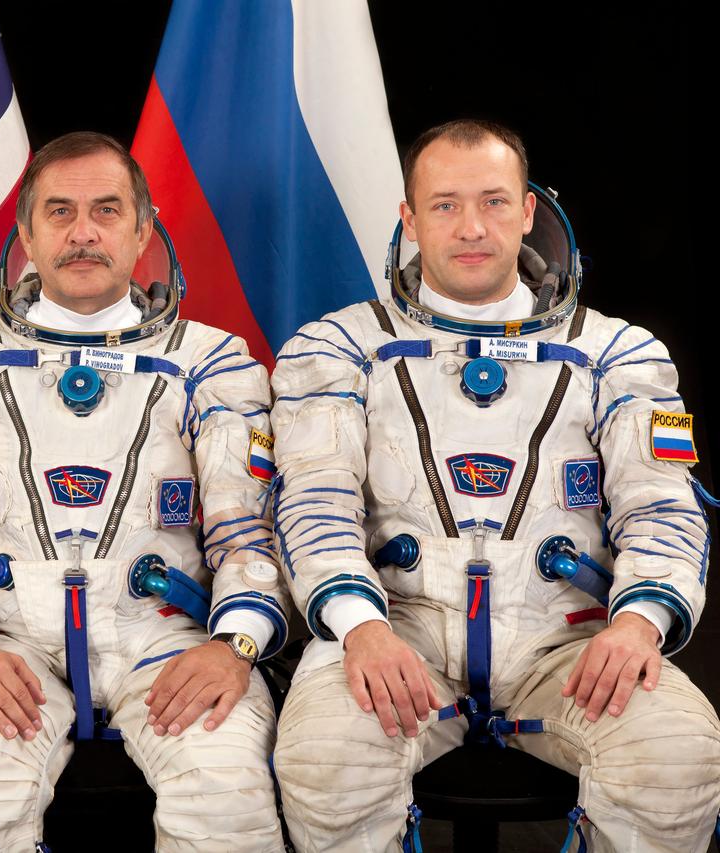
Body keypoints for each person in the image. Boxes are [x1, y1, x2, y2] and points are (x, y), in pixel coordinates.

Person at [270, 119, 720, 852]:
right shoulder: (340, 348)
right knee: (327, 755)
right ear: (409, 218)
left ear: (529, 211)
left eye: (494, 201)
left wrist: (639, 621)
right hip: (397, 633)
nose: (472, 226)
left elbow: (661, 505)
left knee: (676, 754)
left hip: (566, 644)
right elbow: (316, 501)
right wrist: (361, 625)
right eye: (444, 205)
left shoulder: (617, 353)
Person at [0, 131, 291, 852]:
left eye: (106, 211)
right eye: (60, 213)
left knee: (228, 802)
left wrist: (235, 643)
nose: (83, 233)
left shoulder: (211, 360)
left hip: (168, 641)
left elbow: (248, 532)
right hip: (5, 646)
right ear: (26, 236)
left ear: (142, 231)